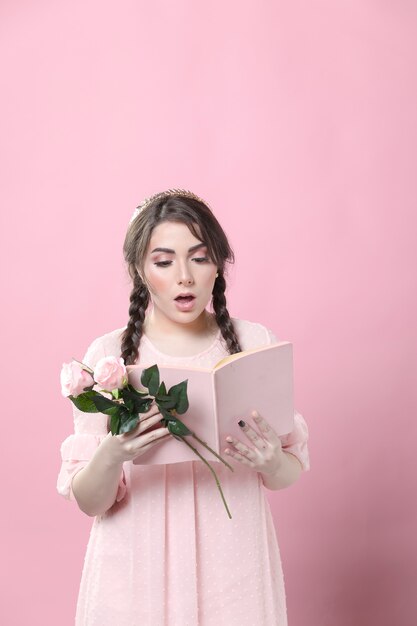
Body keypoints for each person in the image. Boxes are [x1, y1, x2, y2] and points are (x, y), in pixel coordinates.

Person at [57, 189, 310, 626]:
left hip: (232, 564)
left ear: (218, 265)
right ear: (139, 270)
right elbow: (90, 501)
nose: (184, 276)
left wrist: (271, 461)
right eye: (163, 261)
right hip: (135, 566)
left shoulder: (253, 344)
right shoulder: (110, 357)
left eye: (199, 257)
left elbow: (288, 471)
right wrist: (115, 452)